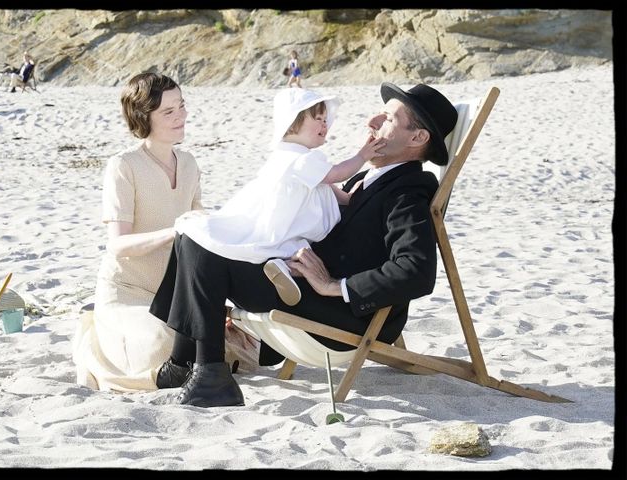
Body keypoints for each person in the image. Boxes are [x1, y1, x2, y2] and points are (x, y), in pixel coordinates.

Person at [149, 81, 459, 407]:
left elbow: (416, 271)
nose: (372, 122)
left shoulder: (408, 191)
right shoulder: (366, 181)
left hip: (339, 316)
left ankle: (208, 372)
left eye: (388, 119)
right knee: (192, 233)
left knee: (203, 247)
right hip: (299, 283)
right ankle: (187, 364)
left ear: (417, 138)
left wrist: (333, 285)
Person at [71, 72, 257, 393]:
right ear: (144, 117)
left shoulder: (188, 163)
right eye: (168, 112)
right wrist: (175, 231)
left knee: (247, 345)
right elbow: (118, 245)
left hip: (175, 296)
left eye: (181, 106)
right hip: (127, 293)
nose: (181, 116)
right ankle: (98, 333)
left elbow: (201, 233)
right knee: (163, 346)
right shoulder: (123, 166)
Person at [175, 88, 386, 307]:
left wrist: (347, 198)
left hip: (284, 215)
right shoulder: (301, 159)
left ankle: (283, 268)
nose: (325, 125)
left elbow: (325, 185)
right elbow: (336, 174)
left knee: (289, 246)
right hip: (291, 219)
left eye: (326, 119)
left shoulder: (288, 155)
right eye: (318, 119)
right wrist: (362, 155)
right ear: (293, 123)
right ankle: (285, 268)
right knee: (287, 242)